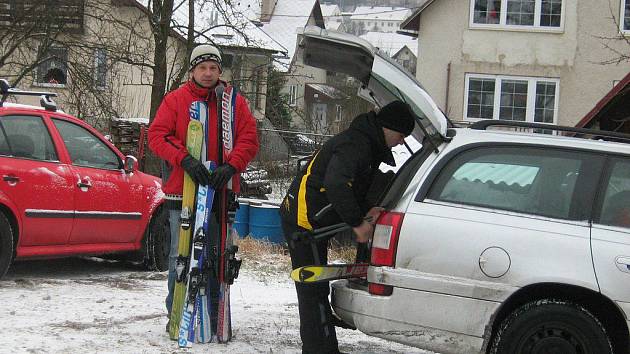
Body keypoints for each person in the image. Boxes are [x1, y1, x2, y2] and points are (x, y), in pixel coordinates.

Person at [279, 100, 416, 354]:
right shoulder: (357, 144)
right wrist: (357, 222)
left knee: (317, 287)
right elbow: (337, 184)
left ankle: (322, 343)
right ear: (389, 127)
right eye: (401, 135)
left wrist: (366, 210)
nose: (400, 142)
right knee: (313, 289)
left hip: (315, 214)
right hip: (303, 218)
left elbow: (356, 186)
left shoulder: (368, 143)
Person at [148, 44, 259, 330]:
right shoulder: (175, 100)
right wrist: (184, 159)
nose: (208, 73)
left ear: (220, 71)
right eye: (202, 68)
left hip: (221, 191)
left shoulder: (234, 103)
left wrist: (232, 166)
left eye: (213, 68)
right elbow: (157, 136)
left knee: (215, 253)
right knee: (180, 255)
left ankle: (210, 313)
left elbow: (248, 139)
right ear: (192, 71)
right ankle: (178, 311)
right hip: (181, 190)